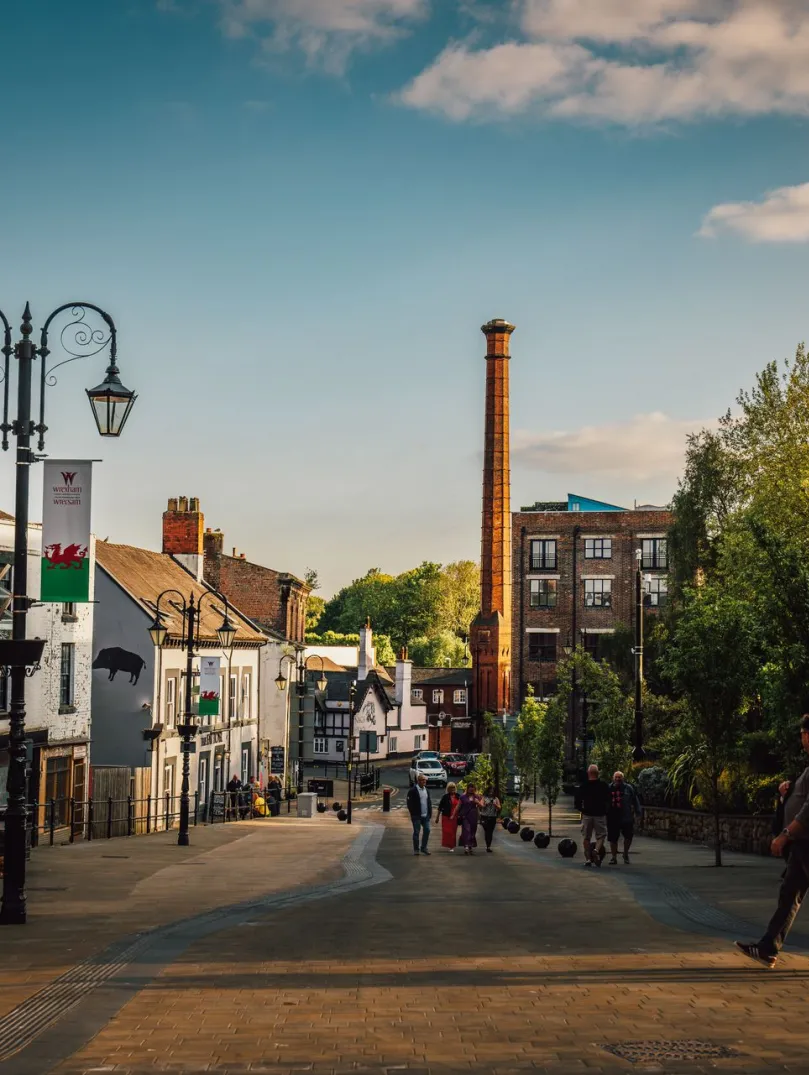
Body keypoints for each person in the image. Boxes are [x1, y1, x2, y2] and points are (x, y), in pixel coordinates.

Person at [736, 714, 809, 969]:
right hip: (802, 846)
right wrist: (786, 794)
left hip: (805, 842)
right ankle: (768, 948)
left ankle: (768, 947)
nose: (801, 738)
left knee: (789, 896)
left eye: (802, 733)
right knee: (788, 896)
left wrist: (785, 834)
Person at [574, 764, 610, 868]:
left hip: (587, 814)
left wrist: (582, 809)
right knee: (601, 835)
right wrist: (605, 810)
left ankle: (588, 859)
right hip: (600, 814)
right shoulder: (603, 785)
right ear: (598, 773)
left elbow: (577, 801)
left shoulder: (584, 786)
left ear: (588, 773)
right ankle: (596, 850)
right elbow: (608, 799)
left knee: (586, 837)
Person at [607, 771, 643, 864]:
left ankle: (625, 854)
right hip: (613, 817)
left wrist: (638, 812)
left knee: (628, 836)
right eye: (616, 777)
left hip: (626, 816)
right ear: (613, 778)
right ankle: (613, 857)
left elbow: (635, 800)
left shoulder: (628, 788)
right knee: (613, 838)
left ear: (623, 778)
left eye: (620, 777)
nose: (618, 779)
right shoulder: (609, 788)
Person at [406, 773, 432, 856]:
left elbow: (429, 802)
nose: (424, 781)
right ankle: (416, 849)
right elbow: (409, 803)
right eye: (422, 780)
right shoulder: (413, 790)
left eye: (425, 780)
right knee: (416, 832)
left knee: (427, 830)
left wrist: (430, 813)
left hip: (426, 815)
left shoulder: (426, 790)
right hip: (417, 816)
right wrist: (413, 813)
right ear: (418, 781)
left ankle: (424, 848)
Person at [458, 782, 482, 855]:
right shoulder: (463, 797)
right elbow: (458, 806)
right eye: (470, 788)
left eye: (473, 788)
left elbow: (482, 806)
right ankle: (466, 846)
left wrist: (478, 803)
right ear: (467, 789)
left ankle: (470, 846)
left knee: (472, 831)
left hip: (474, 816)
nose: (471, 789)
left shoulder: (477, 797)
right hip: (465, 816)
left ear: (475, 789)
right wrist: (454, 815)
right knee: (466, 830)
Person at [435, 782, 461, 852]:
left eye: (453, 788)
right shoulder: (445, 797)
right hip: (446, 816)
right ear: (448, 789)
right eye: (450, 788)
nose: (452, 789)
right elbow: (440, 807)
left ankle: (452, 846)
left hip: (455, 817)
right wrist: (437, 817)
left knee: (453, 832)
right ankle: (448, 845)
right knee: (447, 832)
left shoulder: (458, 796)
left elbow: (462, 806)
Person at [479, 785, 501, 852]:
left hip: (492, 817)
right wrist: (485, 804)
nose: (491, 793)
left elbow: (499, 807)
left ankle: (488, 846)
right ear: (487, 791)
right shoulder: (484, 798)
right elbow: (481, 805)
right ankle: (487, 843)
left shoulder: (496, 799)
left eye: (492, 791)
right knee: (487, 831)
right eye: (490, 791)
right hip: (485, 817)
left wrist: (495, 805)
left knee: (490, 832)